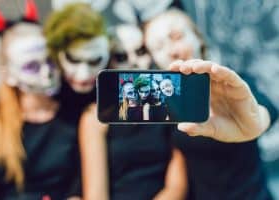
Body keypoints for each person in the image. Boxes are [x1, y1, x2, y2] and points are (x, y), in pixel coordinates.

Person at [44, 2, 188, 199]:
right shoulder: (96, 115)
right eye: (121, 56)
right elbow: (96, 194)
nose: (134, 62)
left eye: (140, 51)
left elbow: (177, 186)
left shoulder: (169, 103)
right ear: (110, 63)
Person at [145, 8, 278, 199]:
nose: (172, 51)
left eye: (176, 36)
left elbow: (266, 111)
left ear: (198, 37)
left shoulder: (232, 83)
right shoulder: (163, 106)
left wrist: (254, 122)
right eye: (158, 47)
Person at [0, 1, 81, 199]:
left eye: (50, 59)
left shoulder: (76, 112)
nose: (47, 72)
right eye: (32, 66)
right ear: (8, 74)